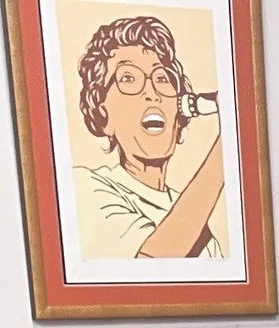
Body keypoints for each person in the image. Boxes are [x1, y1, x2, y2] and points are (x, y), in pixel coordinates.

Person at [71, 15, 225, 261]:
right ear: (104, 115)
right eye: (127, 78)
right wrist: (230, 143)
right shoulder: (84, 186)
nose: (152, 93)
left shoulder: (200, 226)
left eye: (162, 78)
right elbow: (151, 260)